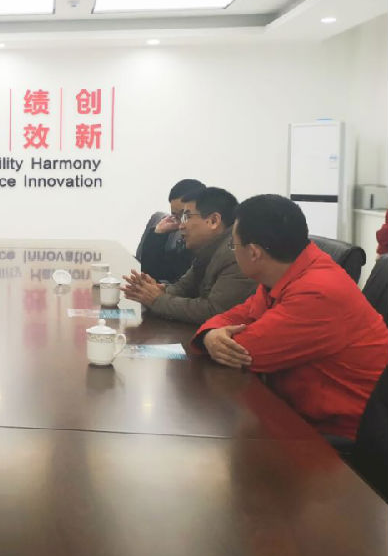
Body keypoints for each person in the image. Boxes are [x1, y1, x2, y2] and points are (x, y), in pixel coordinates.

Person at [193, 194, 388, 439]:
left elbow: (246, 352)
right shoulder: (287, 273)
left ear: (253, 252)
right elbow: (240, 314)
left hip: (347, 434)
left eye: (234, 245)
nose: (233, 252)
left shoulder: (318, 291)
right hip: (300, 413)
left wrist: (213, 338)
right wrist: (210, 335)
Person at [123, 186, 256, 324]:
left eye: (186, 217)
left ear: (213, 221)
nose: (181, 226)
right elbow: (183, 287)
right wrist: (158, 290)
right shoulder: (207, 249)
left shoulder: (235, 253)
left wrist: (157, 300)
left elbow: (214, 311)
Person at [137, 178, 205, 283]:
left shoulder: (217, 251)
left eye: (185, 216)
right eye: (176, 217)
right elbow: (151, 272)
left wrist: (162, 292)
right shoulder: (186, 247)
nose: (181, 225)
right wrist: (158, 233)